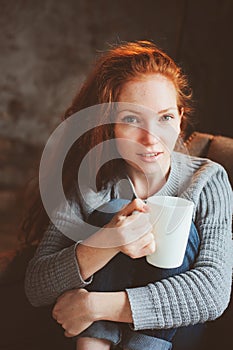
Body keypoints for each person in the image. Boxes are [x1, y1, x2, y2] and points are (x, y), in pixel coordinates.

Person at [24, 41, 232, 350]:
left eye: (165, 117)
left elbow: (212, 293)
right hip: (93, 339)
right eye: (132, 120)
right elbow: (37, 285)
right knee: (117, 209)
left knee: (176, 221)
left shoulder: (207, 179)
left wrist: (93, 307)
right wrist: (107, 242)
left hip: (168, 337)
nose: (151, 139)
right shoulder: (92, 180)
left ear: (180, 118)